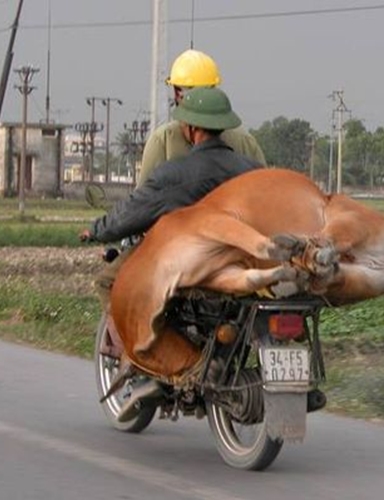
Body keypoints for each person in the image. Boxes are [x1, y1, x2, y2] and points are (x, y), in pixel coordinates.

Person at [80, 87, 263, 422]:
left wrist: (97, 230)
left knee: (110, 281)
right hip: (244, 259)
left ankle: (155, 362)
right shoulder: (253, 171)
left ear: (191, 129)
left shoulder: (174, 173)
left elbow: (132, 213)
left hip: (187, 262)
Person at [137, 49, 266, 186]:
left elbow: (143, 203)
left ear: (177, 93)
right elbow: (264, 195)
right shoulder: (244, 142)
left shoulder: (163, 141)